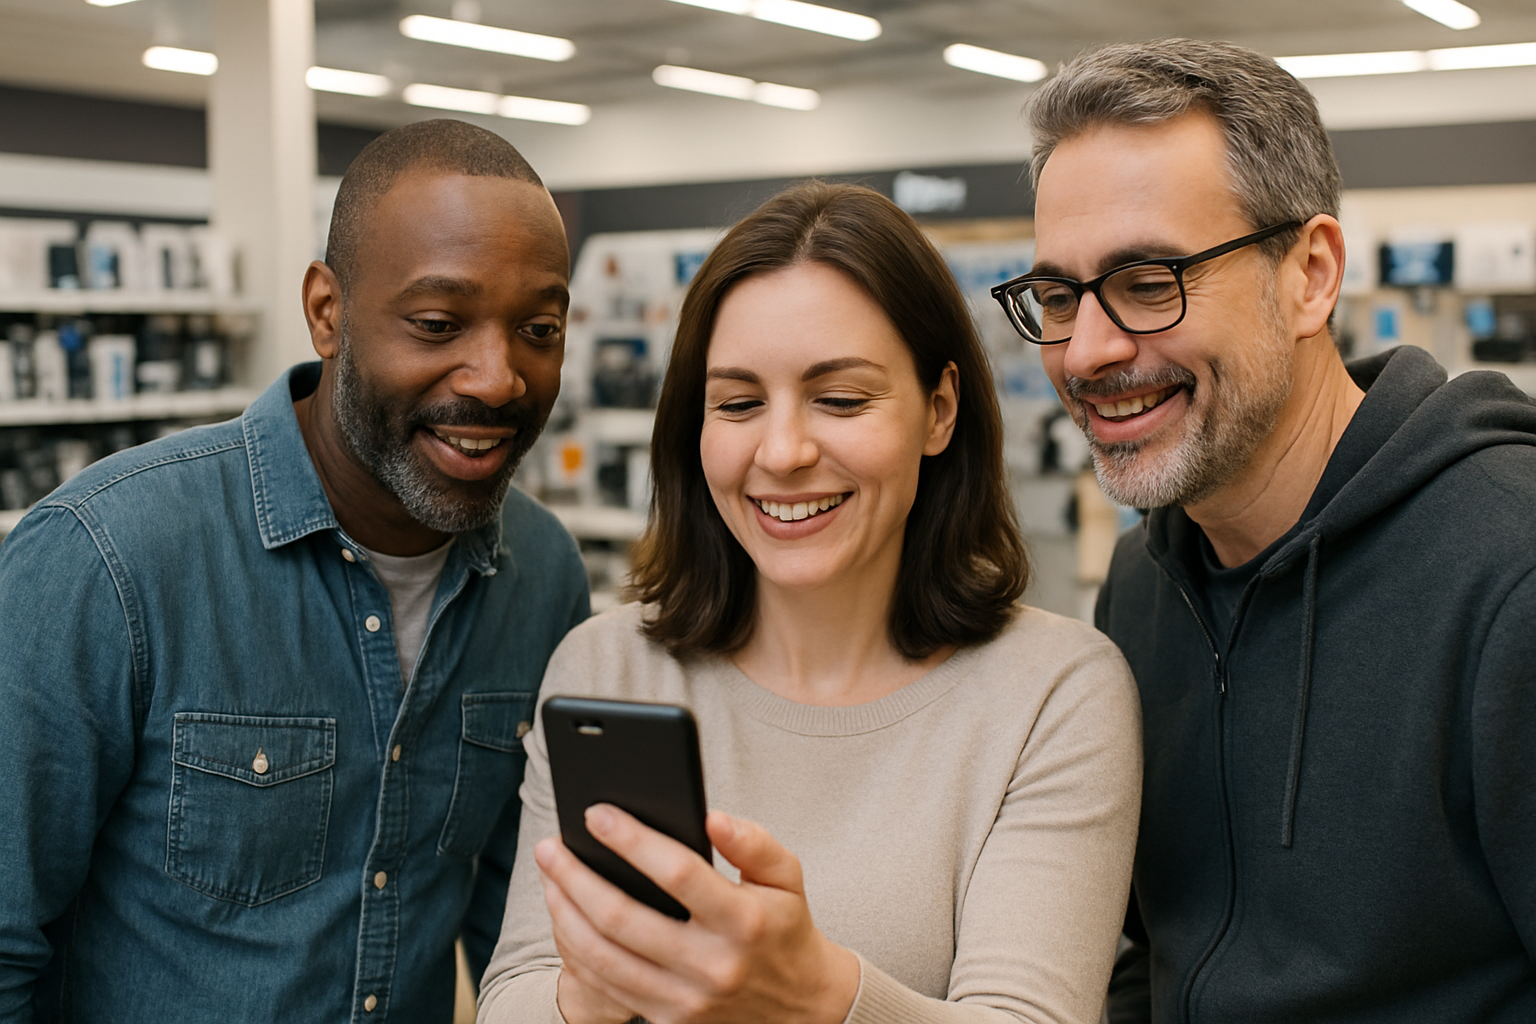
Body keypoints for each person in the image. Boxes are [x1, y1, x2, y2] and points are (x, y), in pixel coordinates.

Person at [478, 181, 1142, 1024]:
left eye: (841, 399)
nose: (784, 451)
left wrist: (817, 995)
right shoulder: (609, 668)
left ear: (939, 411)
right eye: (738, 404)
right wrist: (591, 993)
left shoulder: (1054, 692)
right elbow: (514, 993)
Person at [990, 38, 1536, 1024]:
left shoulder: (1509, 571)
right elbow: (1154, 954)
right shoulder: (1144, 584)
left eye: (1149, 281)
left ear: (1310, 275)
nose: (1086, 352)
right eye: (1061, 297)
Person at [0, 119, 589, 1021]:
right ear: (326, 312)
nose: (498, 377)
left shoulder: (542, 574)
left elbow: (523, 927)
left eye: (539, 328)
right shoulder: (105, 558)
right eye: (438, 324)